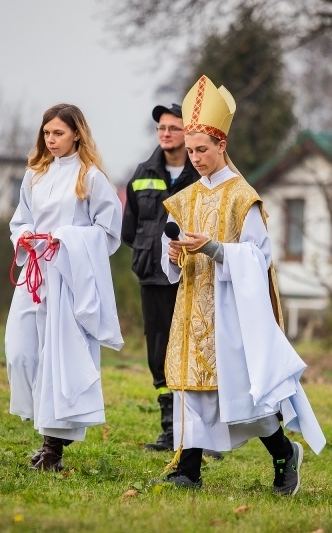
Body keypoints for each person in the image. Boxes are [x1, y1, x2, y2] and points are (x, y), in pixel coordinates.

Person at [158, 75, 326, 495]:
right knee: (190, 392)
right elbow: (177, 262)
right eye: (190, 150)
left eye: (203, 150)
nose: (195, 158)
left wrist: (214, 247)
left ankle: (285, 453)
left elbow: (258, 256)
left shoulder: (241, 195)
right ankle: (188, 470)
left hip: (231, 312)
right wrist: (175, 257)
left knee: (246, 401)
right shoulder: (188, 196)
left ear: (221, 146)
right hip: (193, 304)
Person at [5, 103, 123, 472]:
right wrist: (24, 237)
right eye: (46, 133)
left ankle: (52, 448)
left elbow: (108, 233)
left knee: (60, 360)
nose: (51, 139)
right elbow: (20, 218)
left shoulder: (90, 178)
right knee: (21, 352)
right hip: (34, 274)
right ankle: (42, 429)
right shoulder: (34, 175)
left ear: (76, 134)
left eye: (58, 133)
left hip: (69, 277)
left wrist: (67, 239)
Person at [121, 103, 201, 453]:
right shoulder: (142, 174)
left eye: (173, 128)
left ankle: (199, 434)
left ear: (189, 133)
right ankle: (170, 431)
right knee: (158, 352)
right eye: (161, 128)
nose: (166, 133)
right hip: (152, 277)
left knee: (194, 351)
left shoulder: (201, 176)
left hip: (193, 280)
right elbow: (129, 228)